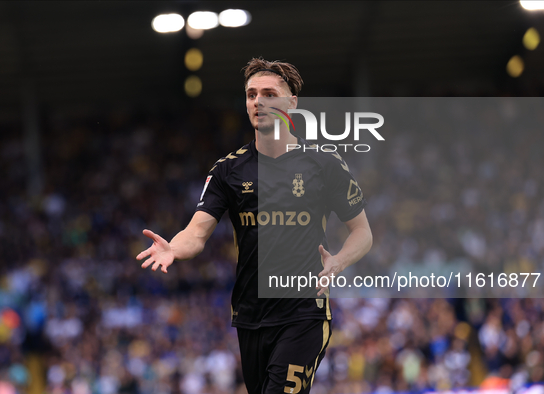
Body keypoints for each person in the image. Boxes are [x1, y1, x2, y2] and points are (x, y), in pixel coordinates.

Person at [136, 58, 373, 394]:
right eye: (251, 94)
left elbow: (362, 232)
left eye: (268, 93)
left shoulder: (324, 163)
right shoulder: (227, 171)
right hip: (250, 316)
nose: (258, 101)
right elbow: (197, 231)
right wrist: (174, 247)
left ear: (291, 102)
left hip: (304, 312)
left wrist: (339, 261)